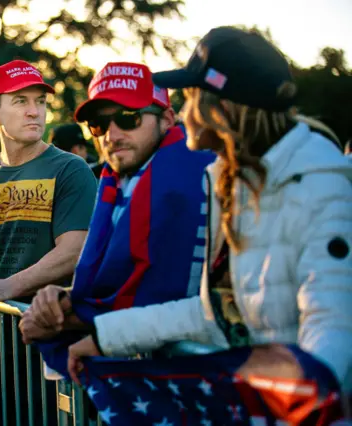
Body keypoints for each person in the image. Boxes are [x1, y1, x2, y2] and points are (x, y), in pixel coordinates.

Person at [67, 26, 352, 420]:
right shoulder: (230, 180)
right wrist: (104, 337)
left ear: (225, 106)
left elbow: (333, 329)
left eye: (191, 97)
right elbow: (214, 313)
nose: (181, 113)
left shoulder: (322, 181)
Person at [19, 62, 214, 378]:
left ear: (167, 119)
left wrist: (68, 318)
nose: (112, 134)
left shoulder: (196, 175)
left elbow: (167, 293)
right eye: (99, 124)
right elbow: (117, 278)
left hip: (208, 377)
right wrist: (65, 299)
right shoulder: (117, 180)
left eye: (129, 118)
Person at [0, 59, 97, 425]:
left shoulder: (69, 169)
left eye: (40, 101)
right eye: (20, 101)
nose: (34, 111)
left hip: (42, 343)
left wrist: (6, 287)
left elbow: (75, 250)